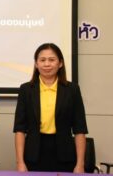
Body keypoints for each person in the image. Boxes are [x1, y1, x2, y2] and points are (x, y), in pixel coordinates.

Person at [13, 43, 88, 173]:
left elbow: (80, 129)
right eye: (42, 60)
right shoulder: (26, 89)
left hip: (65, 155)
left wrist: (80, 164)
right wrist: (20, 162)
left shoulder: (72, 90)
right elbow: (19, 129)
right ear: (36, 64)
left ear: (60, 63)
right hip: (33, 155)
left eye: (52, 60)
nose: (47, 64)